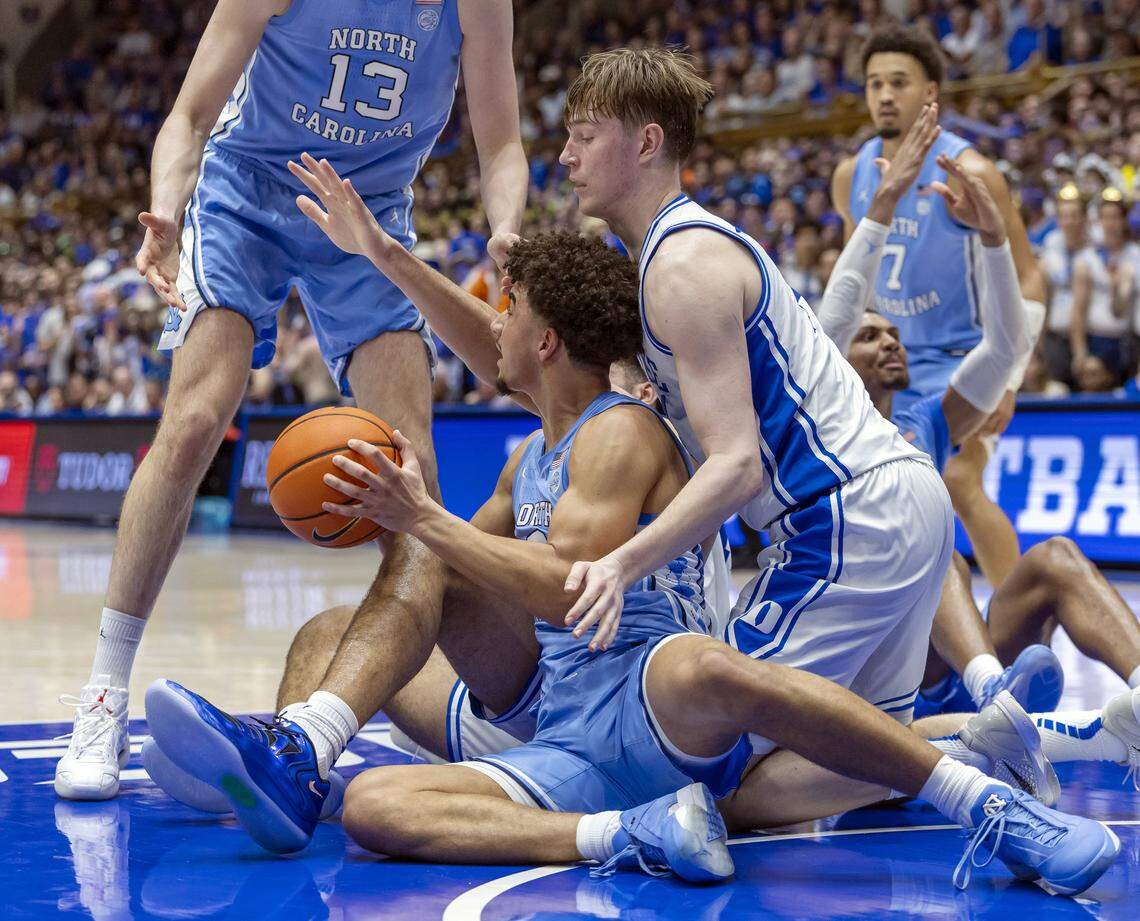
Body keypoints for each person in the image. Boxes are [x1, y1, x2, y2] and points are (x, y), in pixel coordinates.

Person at [143, 231, 1120, 893]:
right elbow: (453, 570)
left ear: (547, 337)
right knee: (375, 798)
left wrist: (419, 518)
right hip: (562, 728)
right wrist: (402, 516)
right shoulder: (535, 452)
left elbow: (570, 590)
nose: (496, 320)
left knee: (699, 669)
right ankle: (613, 833)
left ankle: (983, 791)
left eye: (509, 307)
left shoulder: (621, 433)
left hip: (653, 705)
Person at [55, 0, 527, 801]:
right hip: (249, 195)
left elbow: (503, 141)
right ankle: (103, 693)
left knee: (413, 484)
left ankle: (349, 737)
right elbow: (190, 114)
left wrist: (506, 230)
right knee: (198, 419)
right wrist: (166, 210)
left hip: (368, 216)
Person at [815, 125, 1140, 774]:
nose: (889, 340)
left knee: (1055, 558)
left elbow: (1001, 347)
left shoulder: (928, 420)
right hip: (870, 664)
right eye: (869, 334)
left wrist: (994, 239)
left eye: (894, 332)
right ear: (834, 357)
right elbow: (835, 315)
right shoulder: (820, 424)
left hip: (949, 654)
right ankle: (997, 704)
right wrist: (879, 207)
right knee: (939, 548)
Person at [832, 24, 1045, 591]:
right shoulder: (851, 175)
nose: (883, 94)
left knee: (961, 486)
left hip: (964, 357)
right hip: (888, 362)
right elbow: (856, 278)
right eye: (875, 83)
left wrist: (1010, 379)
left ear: (931, 92)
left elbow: (1030, 274)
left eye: (898, 82)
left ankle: (1020, 621)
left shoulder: (971, 171)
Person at [1070, 188, 1139, 386]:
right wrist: (1079, 351)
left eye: (1116, 217)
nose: (1111, 224)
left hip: (1128, 342)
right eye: (1106, 218)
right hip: (1097, 341)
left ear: (1124, 220)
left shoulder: (1135, 255)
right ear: (1099, 221)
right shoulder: (1088, 258)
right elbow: (1078, 310)